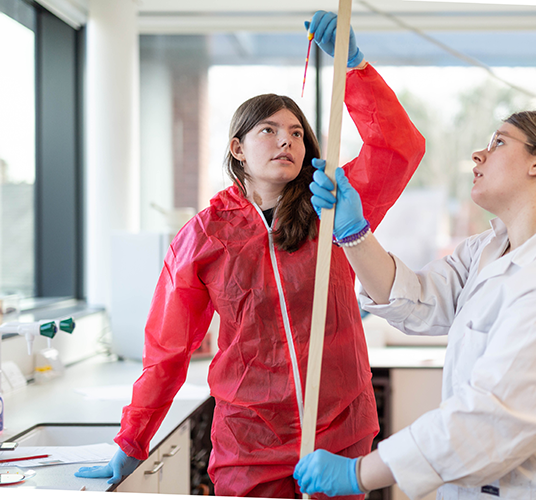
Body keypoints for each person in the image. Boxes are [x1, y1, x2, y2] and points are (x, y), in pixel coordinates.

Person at [75, 10, 425, 498]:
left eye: (298, 133)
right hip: (249, 440)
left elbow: (399, 147)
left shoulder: (335, 204)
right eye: (269, 130)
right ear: (237, 148)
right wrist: (133, 440)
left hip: (339, 432)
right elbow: (167, 350)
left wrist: (354, 69)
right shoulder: (204, 235)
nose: (287, 139)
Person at [297, 110, 536, 499]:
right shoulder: (491, 247)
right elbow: (417, 298)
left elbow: (487, 421)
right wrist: (354, 234)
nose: (477, 155)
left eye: (498, 142)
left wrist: (359, 472)